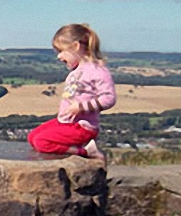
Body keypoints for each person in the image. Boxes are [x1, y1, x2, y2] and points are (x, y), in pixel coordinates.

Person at [28, 23, 116, 162]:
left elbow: (109, 98)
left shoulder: (97, 70)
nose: (59, 57)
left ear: (76, 46)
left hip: (82, 127)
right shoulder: (77, 70)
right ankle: (76, 145)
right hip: (65, 122)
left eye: (61, 51)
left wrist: (81, 107)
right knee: (32, 137)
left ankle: (85, 151)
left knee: (41, 142)